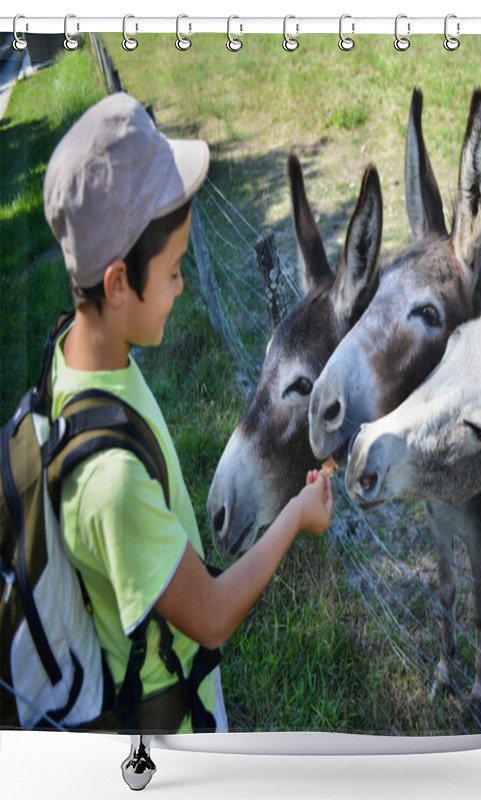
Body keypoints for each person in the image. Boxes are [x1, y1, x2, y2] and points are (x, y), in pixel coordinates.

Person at [42, 92, 333, 734]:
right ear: (117, 284)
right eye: (174, 271)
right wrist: (294, 516)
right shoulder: (112, 483)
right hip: (167, 719)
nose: (181, 285)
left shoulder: (75, 356)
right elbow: (212, 615)